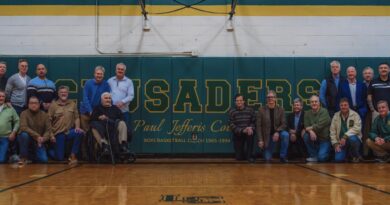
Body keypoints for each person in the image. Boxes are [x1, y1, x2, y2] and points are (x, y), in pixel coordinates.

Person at [48, 86, 83, 165]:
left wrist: (77, 127)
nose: (63, 94)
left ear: (68, 94)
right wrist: (51, 135)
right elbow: (48, 122)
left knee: (79, 132)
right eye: (61, 92)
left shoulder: (72, 104)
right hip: (58, 133)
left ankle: (73, 155)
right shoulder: (53, 105)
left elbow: (76, 117)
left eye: (65, 92)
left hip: (68, 132)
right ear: (58, 94)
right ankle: (49, 151)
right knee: (59, 158)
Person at [18, 96, 52, 165]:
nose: (33, 105)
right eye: (31, 103)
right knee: (24, 135)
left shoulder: (45, 115)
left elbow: (48, 130)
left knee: (43, 160)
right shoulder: (24, 113)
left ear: (39, 104)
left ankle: (30, 156)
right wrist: (37, 136)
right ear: (28, 104)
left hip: (39, 141)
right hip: (28, 139)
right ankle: (23, 157)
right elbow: (23, 127)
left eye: (35, 103)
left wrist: (43, 139)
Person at [256, 90, 289, 162]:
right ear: (266, 99)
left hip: (278, 133)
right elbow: (258, 126)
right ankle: (265, 151)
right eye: (268, 97)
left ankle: (283, 156)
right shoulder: (261, 110)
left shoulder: (281, 109)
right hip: (267, 136)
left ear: (275, 98)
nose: (270, 99)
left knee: (285, 135)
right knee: (267, 158)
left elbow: (284, 124)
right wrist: (260, 140)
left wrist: (277, 132)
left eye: (272, 97)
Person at [330, 98, 362, 162]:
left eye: (345, 105)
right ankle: (347, 155)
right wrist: (335, 144)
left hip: (353, 140)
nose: (343, 107)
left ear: (348, 105)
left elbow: (357, 128)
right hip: (341, 143)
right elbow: (332, 131)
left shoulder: (355, 115)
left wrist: (345, 136)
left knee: (352, 139)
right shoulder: (336, 116)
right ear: (339, 106)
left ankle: (355, 156)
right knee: (338, 159)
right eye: (341, 105)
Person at [79, 65, 111, 132]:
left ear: (103, 75)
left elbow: (107, 99)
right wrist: (90, 111)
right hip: (86, 113)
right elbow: (85, 98)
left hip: (98, 114)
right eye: (97, 73)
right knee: (85, 133)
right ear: (94, 74)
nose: (99, 75)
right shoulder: (88, 83)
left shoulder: (106, 85)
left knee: (97, 132)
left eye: (101, 74)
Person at [303, 95, 331, 162]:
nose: (314, 103)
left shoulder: (324, 111)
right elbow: (306, 126)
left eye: (316, 101)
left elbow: (319, 126)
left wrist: (309, 128)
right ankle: (314, 155)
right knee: (306, 136)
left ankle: (329, 153)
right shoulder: (307, 113)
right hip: (315, 139)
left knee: (322, 158)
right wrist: (310, 131)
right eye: (312, 102)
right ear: (310, 103)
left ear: (319, 103)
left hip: (325, 139)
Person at [228, 94, 256, 163]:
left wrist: (250, 127)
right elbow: (231, 124)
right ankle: (242, 154)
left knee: (250, 133)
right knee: (239, 158)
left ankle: (249, 156)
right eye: (237, 101)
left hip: (248, 132)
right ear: (235, 102)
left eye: (240, 100)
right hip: (238, 133)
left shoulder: (250, 110)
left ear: (244, 101)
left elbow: (254, 121)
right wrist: (242, 130)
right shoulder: (232, 111)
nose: (239, 102)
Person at [0, 90, 19, 163]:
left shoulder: (10, 108)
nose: (1, 98)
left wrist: (13, 132)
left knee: (1, 161)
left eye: (3, 96)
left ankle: (8, 154)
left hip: (5, 138)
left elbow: (17, 121)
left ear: (5, 98)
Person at [362, 66, 374, 157]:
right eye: (366, 73)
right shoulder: (360, 85)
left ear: (373, 75)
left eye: (369, 73)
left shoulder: (376, 84)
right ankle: (366, 153)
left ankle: (378, 153)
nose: (367, 75)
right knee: (365, 133)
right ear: (363, 75)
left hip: (376, 112)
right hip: (364, 112)